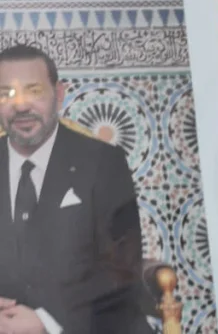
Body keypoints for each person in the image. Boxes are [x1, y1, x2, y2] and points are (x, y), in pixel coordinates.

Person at [0, 44, 152, 334]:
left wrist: (46, 321)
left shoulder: (103, 163)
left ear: (59, 94)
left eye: (34, 90)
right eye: (6, 93)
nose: (20, 105)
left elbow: (121, 270)